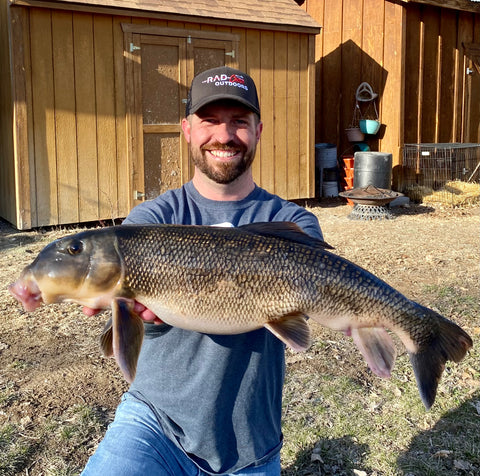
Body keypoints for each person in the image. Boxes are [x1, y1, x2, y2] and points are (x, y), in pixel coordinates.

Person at [81, 66, 323, 476]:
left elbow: (312, 310)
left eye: (239, 122)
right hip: (153, 425)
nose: (224, 136)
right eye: (209, 121)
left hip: (250, 446)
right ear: (187, 129)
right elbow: (136, 327)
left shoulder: (292, 223)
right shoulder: (151, 221)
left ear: (258, 130)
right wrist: (138, 317)